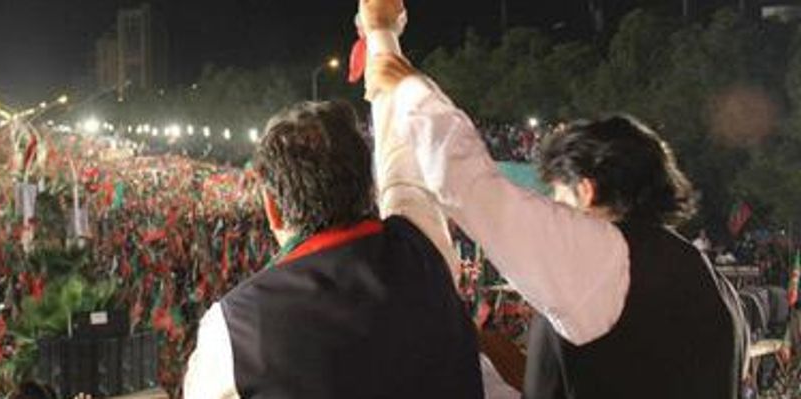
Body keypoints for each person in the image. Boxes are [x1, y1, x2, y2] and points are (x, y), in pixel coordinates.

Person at [358, 0, 747, 398]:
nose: (554, 211)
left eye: (557, 196)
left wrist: (402, 79)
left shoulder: (606, 260)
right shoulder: (713, 285)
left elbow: (470, 187)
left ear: (586, 189)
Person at [182, 101, 482, 398]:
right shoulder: (422, 249)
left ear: (272, 208)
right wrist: (384, 63)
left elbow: (401, 175)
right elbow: (402, 174)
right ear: (369, 188)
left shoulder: (234, 327)